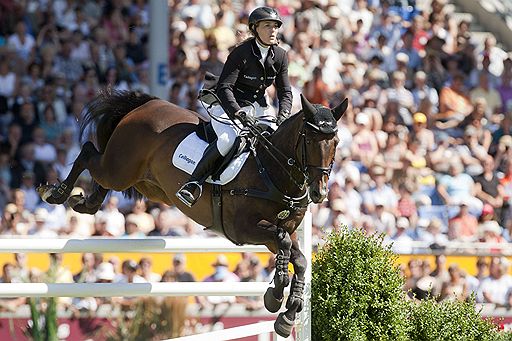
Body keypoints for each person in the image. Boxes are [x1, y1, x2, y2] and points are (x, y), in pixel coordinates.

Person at [176, 6, 292, 207]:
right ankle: (193, 183)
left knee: (277, 142)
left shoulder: (280, 55)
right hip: (229, 104)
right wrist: (236, 112)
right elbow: (225, 87)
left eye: (275, 26)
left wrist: (283, 115)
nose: (273, 30)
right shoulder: (241, 53)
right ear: (255, 28)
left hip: (260, 107)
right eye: (267, 26)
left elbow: (285, 91)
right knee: (228, 139)